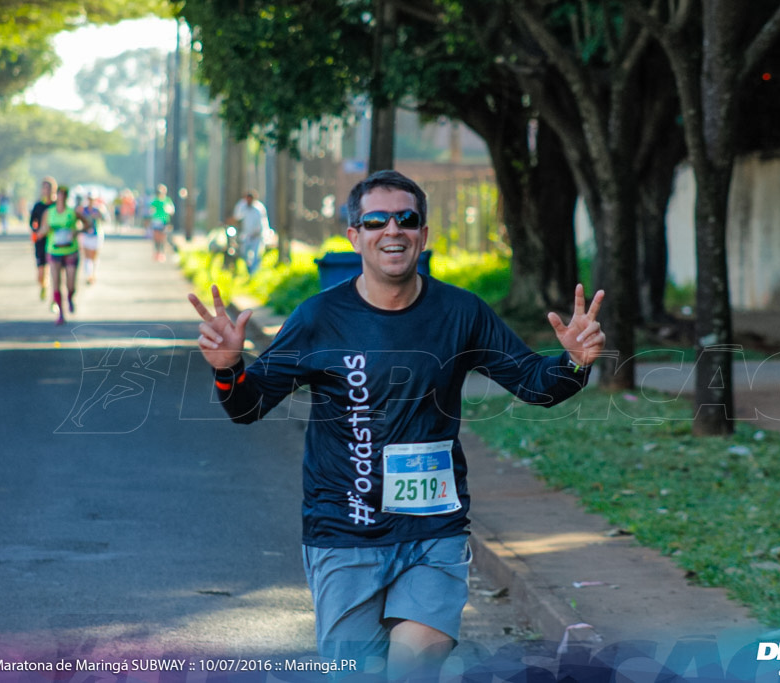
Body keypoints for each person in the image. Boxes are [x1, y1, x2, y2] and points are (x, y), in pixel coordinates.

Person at [189, 170, 605, 678]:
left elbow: (536, 385)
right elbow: (248, 406)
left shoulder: (461, 313)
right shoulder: (320, 318)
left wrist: (576, 362)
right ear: (354, 236)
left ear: (423, 235)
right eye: (376, 221)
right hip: (343, 533)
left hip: (433, 530)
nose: (393, 231)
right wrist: (230, 369)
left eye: (407, 220)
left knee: (415, 664)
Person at [37, 185, 90, 326]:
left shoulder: (72, 213)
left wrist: (77, 231)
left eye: (64, 195)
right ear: (57, 196)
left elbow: (88, 223)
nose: (61, 198)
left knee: (71, 284)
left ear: (67, 197)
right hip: (54, 251)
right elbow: (40, 232)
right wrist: (45, 229)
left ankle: (70, 297)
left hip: (70, 251)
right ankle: (61, 313)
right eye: (59, 195)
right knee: (56, 283)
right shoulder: (49, 213)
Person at [229, 190, 276, 274]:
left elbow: (263, 223)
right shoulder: (242, 207)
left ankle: (254, 274)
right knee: (244, 254)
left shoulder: (259, 209)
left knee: (255, 255)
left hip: (257, 236)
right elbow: (236, 217)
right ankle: (249, 269)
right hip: (246, 236)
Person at [29, 176, 57, 301]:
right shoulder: (38, 206)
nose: (46, 190)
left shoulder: (57, 205)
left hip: (54, 241)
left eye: (48, 188)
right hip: (40, 241)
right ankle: (44, 286)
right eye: (44, 188)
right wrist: (37, 232)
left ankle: (54, 297)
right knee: (41, 273)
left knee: (54, 271)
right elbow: (32, 223)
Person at [80, 193, 108, 284]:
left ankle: (93, 274)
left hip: (96, 235)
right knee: (87, 256)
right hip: (86, 235)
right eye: (89, 199)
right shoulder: (83, 209)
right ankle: (89, 276)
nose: (90, 201)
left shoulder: (98, 209)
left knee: (94, 257)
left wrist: (100, 214)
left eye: (92, 199)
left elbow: (106, 219)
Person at [145, 184, 175, 262]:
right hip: (156, 220)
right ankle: (157, 252)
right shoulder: (155, 200)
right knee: (156, 237)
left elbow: (171, 210)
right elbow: (151, 209)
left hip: (164, 220)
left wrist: (169, 210)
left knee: (163, 237)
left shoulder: (167, 200)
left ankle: (162, 253)